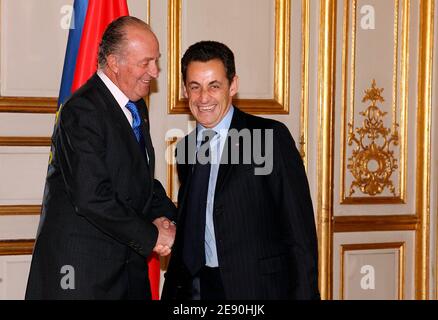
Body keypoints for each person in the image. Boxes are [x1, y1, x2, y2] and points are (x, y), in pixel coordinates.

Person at [25, 16, 176, 299]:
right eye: (145, 62)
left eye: (156, 60)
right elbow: (92, 195)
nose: (155, 71)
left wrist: (171, 219)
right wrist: (153, 236)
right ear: (114, 62)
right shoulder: (82, 110)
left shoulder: (135, 107)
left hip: (125, 271)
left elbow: (137, 180)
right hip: (83, 277)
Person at [162, 41, 320, 300]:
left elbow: (299, 233)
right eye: (195, 87)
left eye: (214, 86)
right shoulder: (185, 149)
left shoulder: (267, 138)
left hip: (258, 290)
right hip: (198, 291)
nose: (204, 98)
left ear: (232, 85)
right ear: (184, 90)